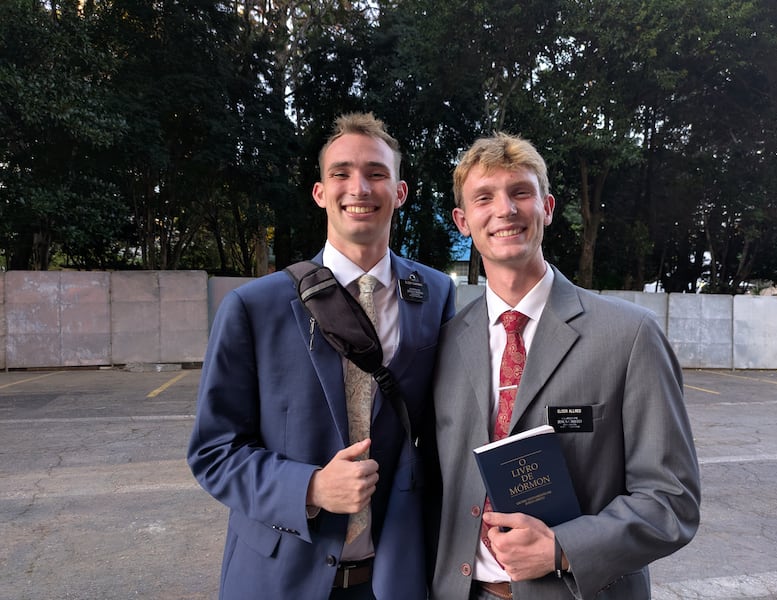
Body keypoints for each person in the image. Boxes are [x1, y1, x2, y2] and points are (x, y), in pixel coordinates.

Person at [188, 112, 456, 600]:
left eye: (377, 173)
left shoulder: (435, 294)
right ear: (320, 192)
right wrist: (308, 488)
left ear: (399, 192)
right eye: (342, 173)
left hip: (394, 575)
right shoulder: (254, 307)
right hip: (278, 574)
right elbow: (213, 451)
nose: (360, 187)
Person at [429, 132, 700, 600]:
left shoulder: (630, 335)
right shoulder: (446, 342)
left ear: (547, 207)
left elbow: (671, 501)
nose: (505, 210)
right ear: (462, 221)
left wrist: (563, 548)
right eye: (484, 198)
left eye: (520, 193)